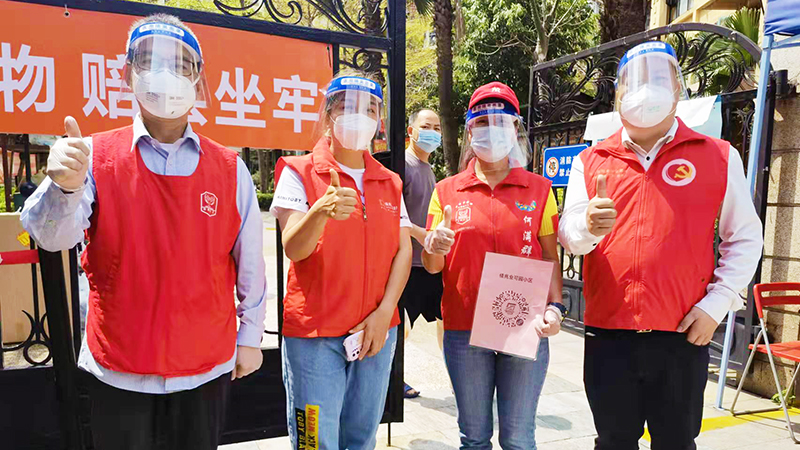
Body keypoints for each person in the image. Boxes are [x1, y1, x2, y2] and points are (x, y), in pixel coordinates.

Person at [21, 14, 267, 450]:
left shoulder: (230, 169)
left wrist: (250, 338)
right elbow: (51, 237)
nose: (165, 74)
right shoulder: (93, 156)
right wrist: (64, 187)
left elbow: (250, 263)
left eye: (181, 65)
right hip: (120, 367)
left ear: (199, 82)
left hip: (204, 366)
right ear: (127, 73)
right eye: (150, 60)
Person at [558, 41, 763, 450]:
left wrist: (717, 304)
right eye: (634, 81)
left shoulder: (718, 156)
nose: (645, 87)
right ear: (618, 94)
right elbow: (570, 236)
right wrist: (587, 225)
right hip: (609, 334)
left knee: (676, 441)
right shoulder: (592, 160)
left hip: (682, 333)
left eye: (658, 77)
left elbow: (745, 237)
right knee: (613, 441)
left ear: (677, 88)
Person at [270, 71, 412, 450]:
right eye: (348, 106)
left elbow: (403, 250)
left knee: (361, 438)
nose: (359, 116)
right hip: (316, 337)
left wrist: (385, 312)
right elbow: (293, 248)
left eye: (370, 110)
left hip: (376, 330)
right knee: (315, 442)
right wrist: (320, 211)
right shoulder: (297, 171)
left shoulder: (390, 181)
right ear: (329, 113)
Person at [423, 82, 565, 450]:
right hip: (464, 329)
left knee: (519, 437)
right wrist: (434, 245)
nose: (492, 130)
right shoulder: (446, 191)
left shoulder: (540, 190)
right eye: (482, 122)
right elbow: (433, 265)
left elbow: (550, 255)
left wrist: (555, 307)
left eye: (501, 122)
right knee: (474, 438)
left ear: (516, 129)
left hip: (524, 326)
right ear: (470, 130)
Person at [401, 108, 443, 399]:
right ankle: (393, 379)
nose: (433, 132)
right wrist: (422, 235)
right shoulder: (402, 165)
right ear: (411, 131)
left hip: (431, 263)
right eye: (426, 126)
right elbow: (393, 216)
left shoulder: (428, 168)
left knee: (447, 320)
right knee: (401, 327)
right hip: (408, 264)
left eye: (437, 128)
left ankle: (459, 374)